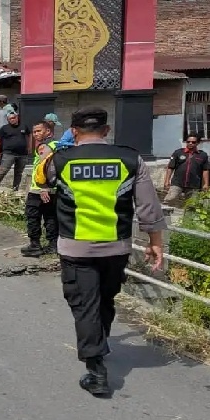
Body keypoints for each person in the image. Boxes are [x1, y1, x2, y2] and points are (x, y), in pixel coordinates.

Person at [35, 107, 165, 398]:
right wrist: (155, 241)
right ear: (106, 131)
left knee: (85, 304)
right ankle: (99, 340)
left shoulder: (60, 159)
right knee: (105, 298)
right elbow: (148, 206)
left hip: (76, 247)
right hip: (116, 247)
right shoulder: (130, 158)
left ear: (74, 132)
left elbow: (42, 180)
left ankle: (96, 370)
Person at [21, 121, 59, 257]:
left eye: (39, 131)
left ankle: (35, 245)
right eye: (34, 131)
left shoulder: (45, 146)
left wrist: (44, 188)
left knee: (33, 216)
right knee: (50, 216)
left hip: (40, 190)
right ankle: (53, 244)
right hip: (51, 189)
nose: (36, 134)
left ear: (48, 132)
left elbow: (45, 167)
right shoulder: (56, 145)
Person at [164, 134, 210, 204]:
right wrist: (167, 181)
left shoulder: (203, 155)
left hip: (193, 185)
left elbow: (205, 170)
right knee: (169, 200)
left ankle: (187, 215)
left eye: (193, 142)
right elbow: (170, 167)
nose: (190, 143)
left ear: (198, 143)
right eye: (188, 141)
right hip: (177, 183)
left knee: (192, 205)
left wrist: (206, 184)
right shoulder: (178, 153)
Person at [0, 110, 30, 191]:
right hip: (9, 153)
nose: (12, 120)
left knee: (18, 172)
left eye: (13, 118)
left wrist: (29, 147)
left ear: (17, 117)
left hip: (22, 154)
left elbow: (28, 136)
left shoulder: (24, 126)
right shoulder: (4, 128)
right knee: (3, 171)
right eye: (10, 119)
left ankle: (15, 189)